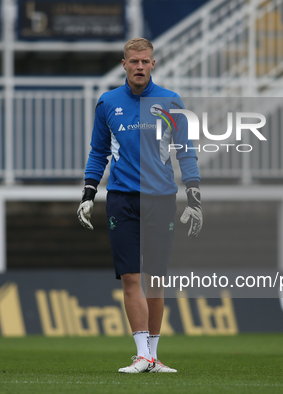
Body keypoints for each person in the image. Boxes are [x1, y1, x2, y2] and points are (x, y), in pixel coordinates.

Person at [77, 37, 202, 373]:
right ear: (124, 65)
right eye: (134, 62)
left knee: (156, 279)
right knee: (131, 278)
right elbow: (98, 152)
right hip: (121, 198)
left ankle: (154, 356)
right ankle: (142, 354)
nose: (140, 67)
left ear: (153, 64)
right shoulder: (107, 103)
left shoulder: (170, 102)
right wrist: (88, 193)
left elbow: (185, 151)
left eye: (145, 62)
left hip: (161, 199)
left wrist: (195, 198)